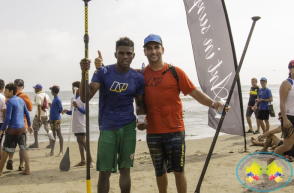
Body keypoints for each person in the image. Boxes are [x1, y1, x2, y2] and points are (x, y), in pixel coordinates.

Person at [95, 34, 228, 193]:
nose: (153, 51)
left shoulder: (175, 72)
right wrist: (101, 68)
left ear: (162, 49)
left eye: (156, 47)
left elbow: (195, 93)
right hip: (153, 133)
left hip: (175, 130)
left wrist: (214, 104)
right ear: (144, 52)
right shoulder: (140, 74)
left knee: (179, 171)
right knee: (160, 172)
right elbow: (120, 72)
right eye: (149, 48)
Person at [80, 37, 146, 193]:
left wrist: (142, 120)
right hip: (108, 126)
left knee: (125, 170)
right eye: (121, 53)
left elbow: (140, 104)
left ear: (133, 55)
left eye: (128, 53)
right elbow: (85, 97)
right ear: (115, 54)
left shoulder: (138, 78)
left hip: (129, 127)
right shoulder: (103, 72)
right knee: (104, 172)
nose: (124, 56)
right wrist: (84, 73)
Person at [0, 83, 33, 176]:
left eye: (6, 90)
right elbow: (27, 113)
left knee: (5, 149)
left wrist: (1, 130)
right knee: (24, 148)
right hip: (22, 128)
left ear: (11, 91)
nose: (4, 92)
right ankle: (27, 169)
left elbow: (8, 117)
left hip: (13, 129)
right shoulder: (21, 100)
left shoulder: (10, 101)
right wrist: (30, 125)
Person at [62, 81, 94, 167]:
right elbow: (72, 112)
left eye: (75, 88)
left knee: (83, 141)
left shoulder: (83, 99)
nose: (73, 90)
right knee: (79, 141)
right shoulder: (73, 99)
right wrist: (66, 111)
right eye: (72, 88)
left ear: (80, 89)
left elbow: (86, 112)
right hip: (75, 123)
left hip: (81, 123)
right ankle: (83, 160)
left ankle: (90, 160)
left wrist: (77, 106)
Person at [268, 60, 294, 164]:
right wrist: (285, 118)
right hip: (289, 117)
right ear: (290, 69)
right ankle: (270, 161)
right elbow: (282, 103)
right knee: (287, 146)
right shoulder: (287, 83)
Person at [6, 79, 33, 171]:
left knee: (11, 145)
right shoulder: (25, 96)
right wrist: (29, 124)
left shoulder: (8, 97)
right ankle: (21, 165)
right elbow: (30, 109)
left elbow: (5, 112)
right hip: (23, 124)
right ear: (23, 87)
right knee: (22, 146)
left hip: (11, 125)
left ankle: (10, 159)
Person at [29, 84, 54, 149]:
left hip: (40, 114)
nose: (35, 90)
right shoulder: (46, 95)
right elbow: (50, 104)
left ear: (39, 89)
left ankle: (36, 143)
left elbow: (39, 106)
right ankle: (51, 143)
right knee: (48, 129)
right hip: (46, 114)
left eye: (36, 88)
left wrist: (39, 117)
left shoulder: (38, 95)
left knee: (35, 129)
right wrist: (51, 113)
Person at [46, 85, 63, 157]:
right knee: (53, 135)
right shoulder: (55, 99)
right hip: (52, 119)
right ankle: (52, 151)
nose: (51, 92)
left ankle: (61, 151)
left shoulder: (58, 99)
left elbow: (60, 109)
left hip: (57, 119)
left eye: (51, 90)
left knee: (59, 134)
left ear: (53, 91)